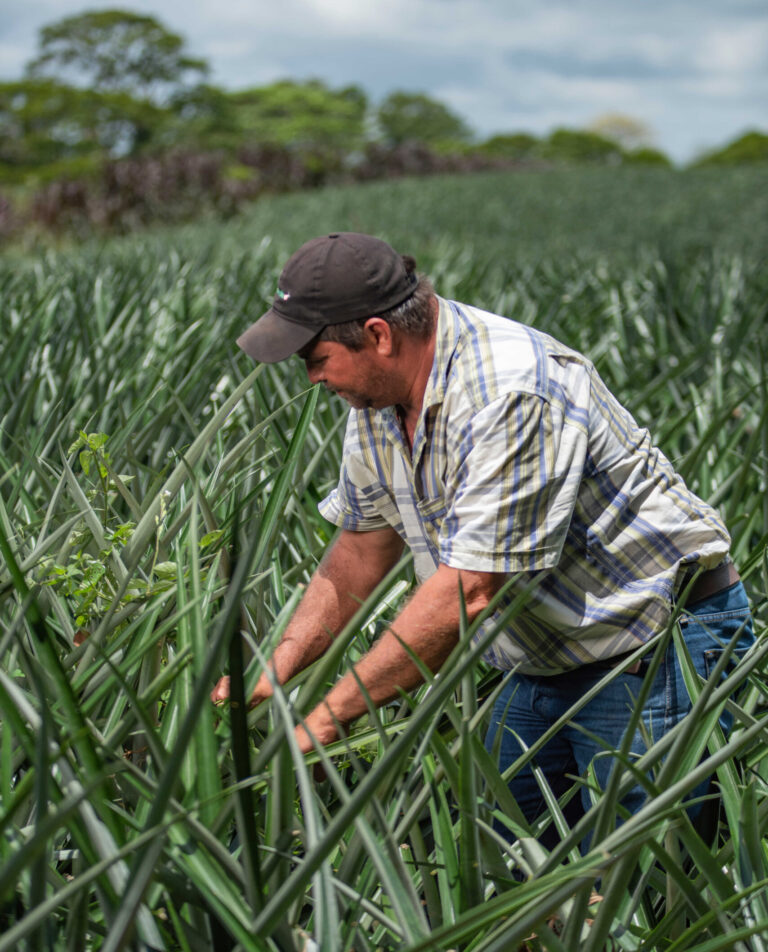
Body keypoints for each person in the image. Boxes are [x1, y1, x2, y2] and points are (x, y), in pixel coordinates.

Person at [211, 231, 754, 838]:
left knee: (642, 891)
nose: (312, 378)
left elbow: (470, 587)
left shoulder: (510, 389)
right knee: (513, 857)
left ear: (378, 335)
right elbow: (363, 548)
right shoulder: (376, 401)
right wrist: (280, 663)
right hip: (546, 652)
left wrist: (332, 715)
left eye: (314, 359)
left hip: (653, 645)